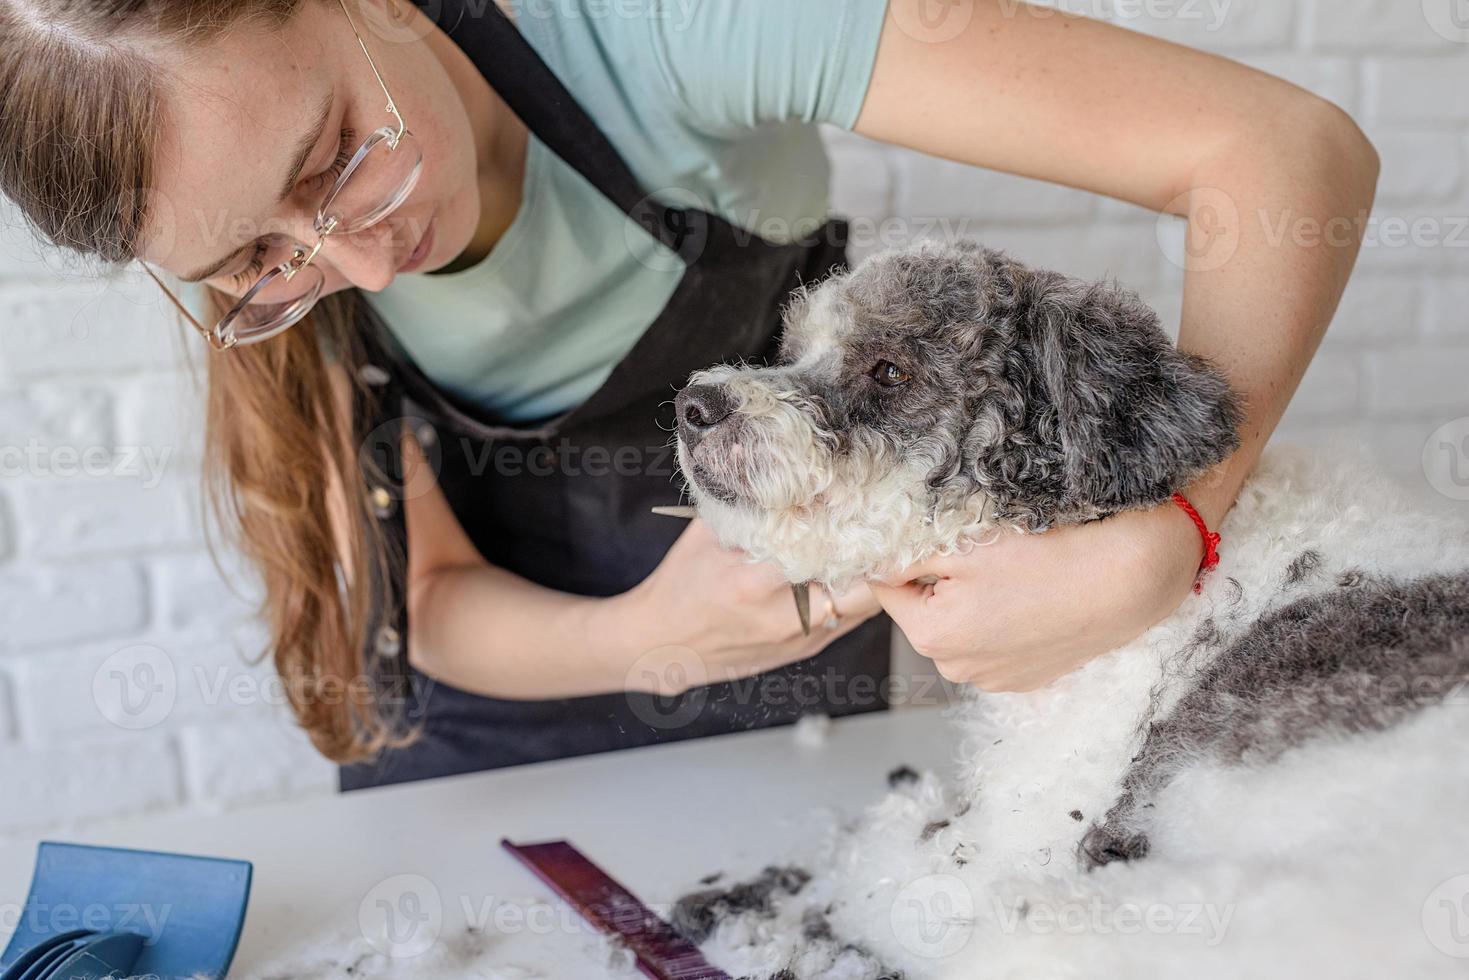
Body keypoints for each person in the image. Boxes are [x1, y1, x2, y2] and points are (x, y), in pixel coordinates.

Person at [0, 0, 1378, 788]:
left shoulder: (657, 22)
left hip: (773, 707)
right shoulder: (267, 288)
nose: (357, 260)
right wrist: (644, 642)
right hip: (485, 710)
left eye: (339, 156)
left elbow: (1271, 148)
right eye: (256, 256)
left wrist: (1170, 530)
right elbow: (418, 605)